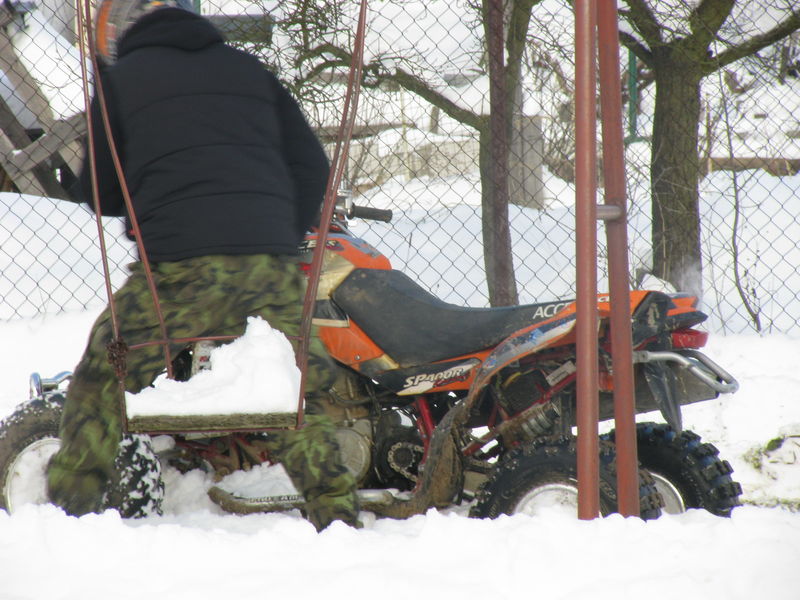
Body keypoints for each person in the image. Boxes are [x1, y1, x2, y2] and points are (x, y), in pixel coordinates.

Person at [46, 0, 360, 531]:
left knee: (104, 374)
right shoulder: (250, 70)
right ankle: (337, 517)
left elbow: (102, 192)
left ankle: (67, 514)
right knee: (294, 390)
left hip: (177, 274)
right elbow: (312, 165)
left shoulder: (119, 82)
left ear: (125, 37)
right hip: (268, 270)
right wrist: (280, 234)